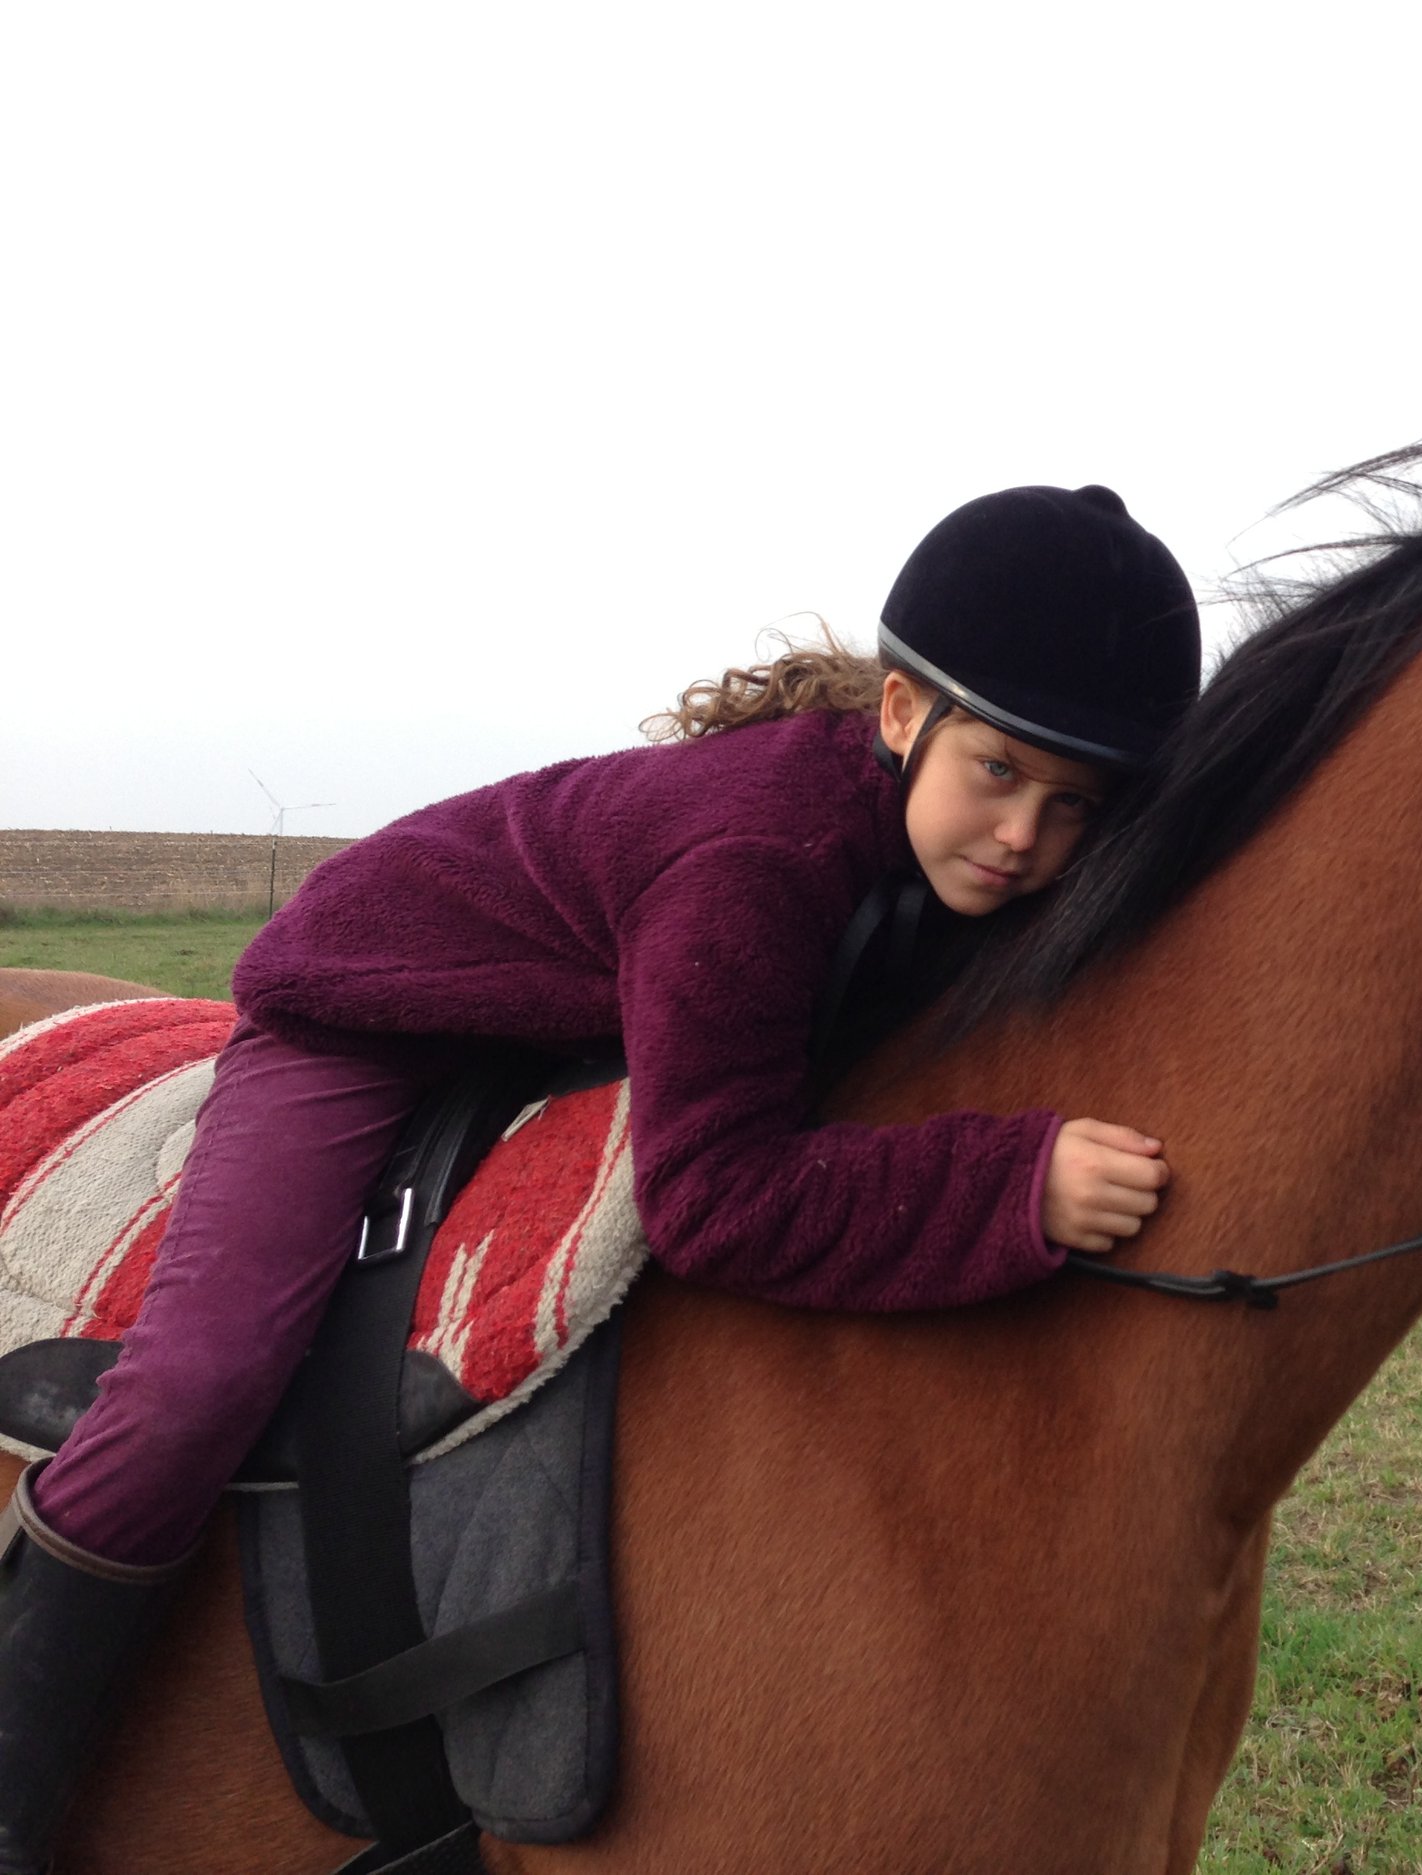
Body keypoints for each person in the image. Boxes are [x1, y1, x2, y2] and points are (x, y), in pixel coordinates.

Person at [0, 483, 1200, 1870]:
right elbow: (713, 1198)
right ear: (898, 719)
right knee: (197, 1381)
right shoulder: (764, 855)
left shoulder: (933, 852)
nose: (1025, 838)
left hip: (535, 1018)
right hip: (366, 1013)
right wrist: (1008, 1189)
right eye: (999, 771)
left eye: (1074, 809)